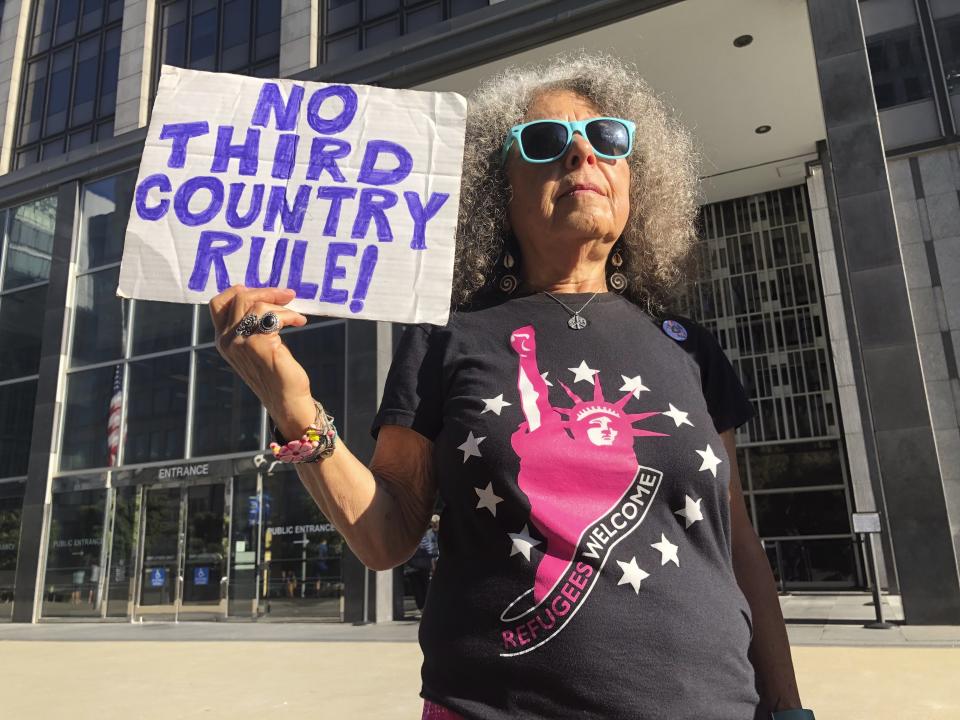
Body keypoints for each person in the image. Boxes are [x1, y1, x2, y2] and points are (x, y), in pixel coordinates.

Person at [210, 54, 813, 720]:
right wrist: (290, 405)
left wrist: (789, 707)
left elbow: (739, 546)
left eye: (608, 139)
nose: (582, 154)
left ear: (635, 177)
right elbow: (387, 536)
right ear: (501, 188)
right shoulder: (448, 336)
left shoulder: (691, 348)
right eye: (546, 141)